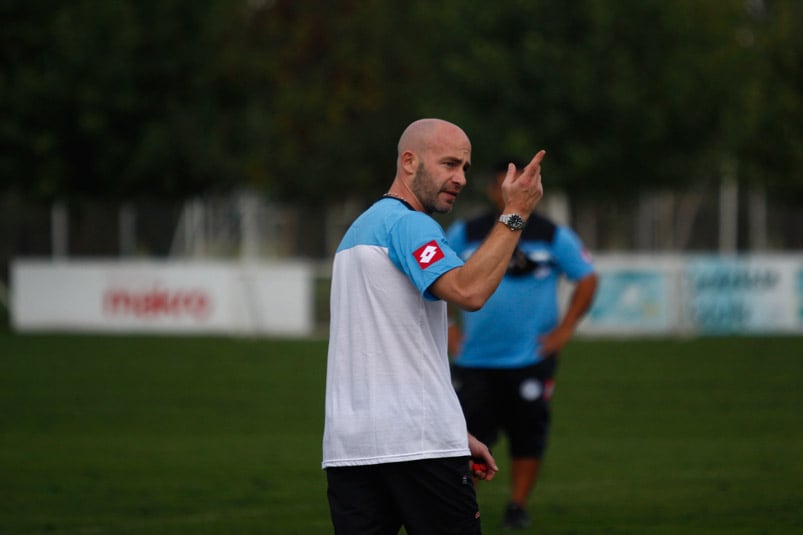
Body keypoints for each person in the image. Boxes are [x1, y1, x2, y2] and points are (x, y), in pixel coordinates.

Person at [322, 119, 546, 534]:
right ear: (409, 162)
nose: (460, 178)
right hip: (417, 447)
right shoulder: (409, 225)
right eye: (449, 164)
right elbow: (469, 290)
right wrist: (515, 213)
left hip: (350, 450)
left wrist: (453, 428)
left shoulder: (356, 234)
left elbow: (393, 354)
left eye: (464, 167)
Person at [445, 158, 598, 529]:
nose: (508, 193)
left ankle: (517, 505)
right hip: (474, 358)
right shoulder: (467, 232)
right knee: (465, 436)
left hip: (530, 358)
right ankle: (464, 507)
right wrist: (447, 326)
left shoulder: (551, 235)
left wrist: (564, 331)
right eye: (501, 185)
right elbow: (438, 277)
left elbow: (587, 278)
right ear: (491, 189)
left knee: (529, 433)